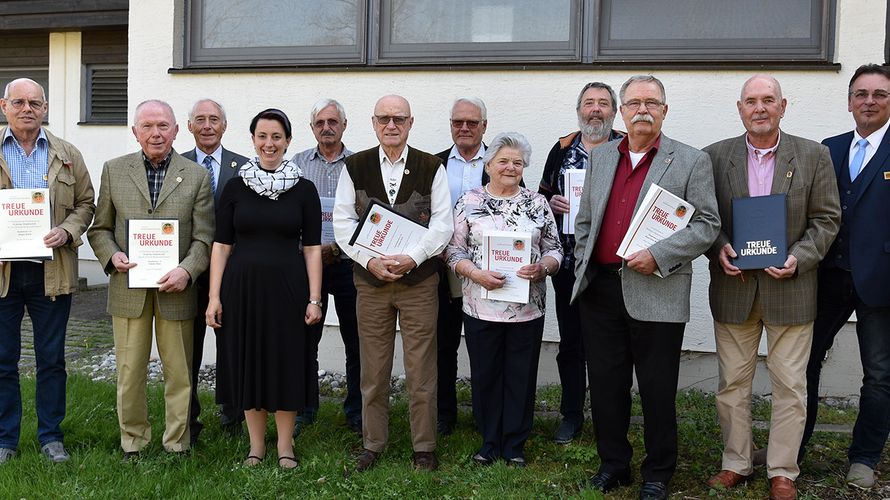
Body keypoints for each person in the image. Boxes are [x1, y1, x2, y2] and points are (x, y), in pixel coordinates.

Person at [572, 75, 720, 500]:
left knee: (657, 388)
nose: (642, 110)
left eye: (651, 103)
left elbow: (707, 224)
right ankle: (613, 465)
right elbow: (586, 221)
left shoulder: (690, 160)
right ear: (622, 111)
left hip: (656, 287)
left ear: (664, 111)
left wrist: (660, 254)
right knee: (605, 384)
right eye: (634, 102)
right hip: (601, 290)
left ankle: (658, 472)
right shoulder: (601, 158)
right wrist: (585, 259)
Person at [702, 75, 840, 500]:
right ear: (739, 108)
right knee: (732, 385)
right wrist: (720, 247)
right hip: (735, 288)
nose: (759, 108)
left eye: (768, 100)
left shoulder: (814, 155)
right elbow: (705, 220)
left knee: (790, 386)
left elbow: (826, 219)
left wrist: (799, 256)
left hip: (792, 289)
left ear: (784, 106)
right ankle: (736, 463)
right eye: (751, 101)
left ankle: (782, 469)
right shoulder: (713, 156)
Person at [333, 95, 453, 472]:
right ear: (373, 122)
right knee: (373, 367)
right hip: (370, 283)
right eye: (384, 118)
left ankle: (424, 447)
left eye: (398, 118)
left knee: (421, 368)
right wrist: (369, 259)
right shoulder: (355, 166)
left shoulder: (431, 166)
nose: (391, 125)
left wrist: (411, 258)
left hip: (418, 282)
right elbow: (341, 223)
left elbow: (443, 224)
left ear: (410, 122)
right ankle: (373, 443)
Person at [88, 99, 214, 458]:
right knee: (129, 372)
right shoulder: (114, 170)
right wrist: (112, 255)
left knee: (179, 373)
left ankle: (177, 441)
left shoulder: (196, 175)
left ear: (176, 130)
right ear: (135, 132)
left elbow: (204, 237)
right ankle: (134, 440)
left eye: (163, 125)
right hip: (129, 290)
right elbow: (100, 229)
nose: (155, 133)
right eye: (147, 126)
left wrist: (187, 271)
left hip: (176, 291)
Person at [206, 108, 322, 469]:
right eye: (262, 136)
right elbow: (221, 245)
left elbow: (312, 248)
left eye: (276, 137)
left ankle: (285, 446)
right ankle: (256, 447)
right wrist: (214, 297)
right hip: (242, 290)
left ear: (288, 141)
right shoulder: (235, 187)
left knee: (286, 362)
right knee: (248, 363)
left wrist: (314, 298)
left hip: (289, 290)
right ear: (253, 140)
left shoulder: (304, 189)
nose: (269, 144)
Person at [446, 131, 562, 466]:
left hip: (527, 308)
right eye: (503, 161)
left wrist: (543, 267)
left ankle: (514, 444)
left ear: (524, 166)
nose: (510, 167)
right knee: (485, 374)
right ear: (489, 164)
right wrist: (476, 273)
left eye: (517, 162)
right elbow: (453, 250)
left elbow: (555, 249)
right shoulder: (469, 201)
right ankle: (489, 441)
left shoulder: (537, 203)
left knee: (520, 375)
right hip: (480, 305)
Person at [800, 63, 890, 490]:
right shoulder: (828, 148)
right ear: (850, 100)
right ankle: (792, 448)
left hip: (882, 279)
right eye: (861, 94)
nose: (869, 101)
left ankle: (864, 458)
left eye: (879, 94)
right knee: (803, 363)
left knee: (879, 373)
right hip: (828, 275)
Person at [0, 78, 95, 464]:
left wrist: (67, 230)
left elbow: (86, 204)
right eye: (19, 102)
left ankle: (50, 437)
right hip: (3, 276)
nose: (27, 109)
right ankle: (6, 439)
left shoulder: (66, 152)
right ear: (3, 106)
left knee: (51, 359)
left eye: (34, 103)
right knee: (3, 360)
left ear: (45, 108)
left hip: (51, 273)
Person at [537, 81, 624, 444]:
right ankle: (571, 414)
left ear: (614, 112)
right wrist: (553, 201)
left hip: (614, 265)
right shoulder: (561, 149)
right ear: (579, 111)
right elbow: (539, 200)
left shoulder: (627, 146)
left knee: (613, 346)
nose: (595, 110)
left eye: (603, 103)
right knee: (572, 342)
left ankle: (610, 416)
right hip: (569, 265)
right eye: (589, 103)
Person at [291, 98, 362, 436]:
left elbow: (367, 216)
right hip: (308, 265)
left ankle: (356, 411)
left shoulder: (360, 164)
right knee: (306, 339)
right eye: (320, 123)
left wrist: (336, 247)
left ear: (344, 125)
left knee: (356, 341)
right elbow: (289, 213)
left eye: (333, 121)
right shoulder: (297, 163)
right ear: (312, 128)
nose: (327, 128)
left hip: (349, 265)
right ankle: (305, 408)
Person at [181, 98, 249, 443]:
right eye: (200, 120)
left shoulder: (245, 166)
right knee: (187, 347)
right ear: (189, 125)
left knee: (232, 346)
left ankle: (234, 414)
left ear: (225, 126)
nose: (207, 125)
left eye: (214, 120)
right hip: (188, 274)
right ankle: (187, 418)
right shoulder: (175, 164)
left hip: (233, 273)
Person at [434, 96, 489, 436]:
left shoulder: (500, 161)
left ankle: (485, 416)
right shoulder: (434, 164)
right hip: (443, 271)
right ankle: (444, 416)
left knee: (484, 346)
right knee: (443, 345)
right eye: (458, 122)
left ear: (484, 126)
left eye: (472, 122)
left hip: (487, 273)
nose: (464, 128)